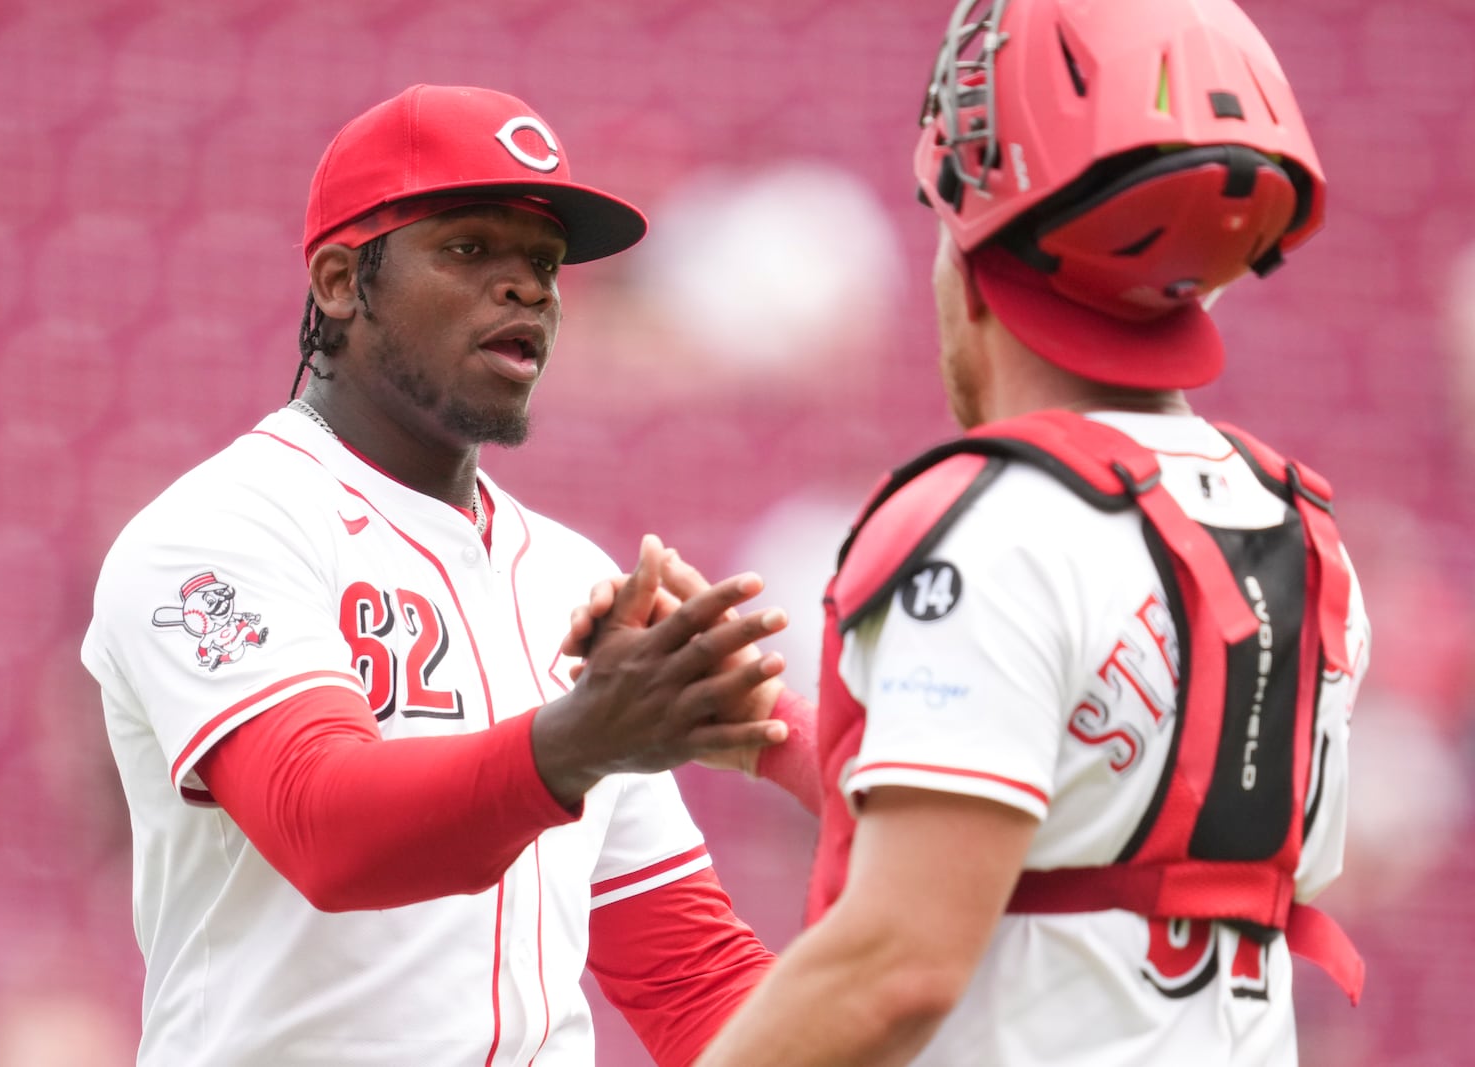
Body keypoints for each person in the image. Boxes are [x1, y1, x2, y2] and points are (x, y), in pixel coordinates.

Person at [575, 2, 1373, 1064]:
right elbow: (1074, 836)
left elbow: (892, 965)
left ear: (974, 257)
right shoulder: (1292, 523)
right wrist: (764, 722)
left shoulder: (991, 530)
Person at [80, 83, 797, 1067]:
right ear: (341, 280)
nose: (527, 289)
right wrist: (581, 739)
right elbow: (324, 825)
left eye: (542, 262)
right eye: (468, 249)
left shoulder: (572, 578)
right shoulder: (219, 528)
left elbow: (690, 978)